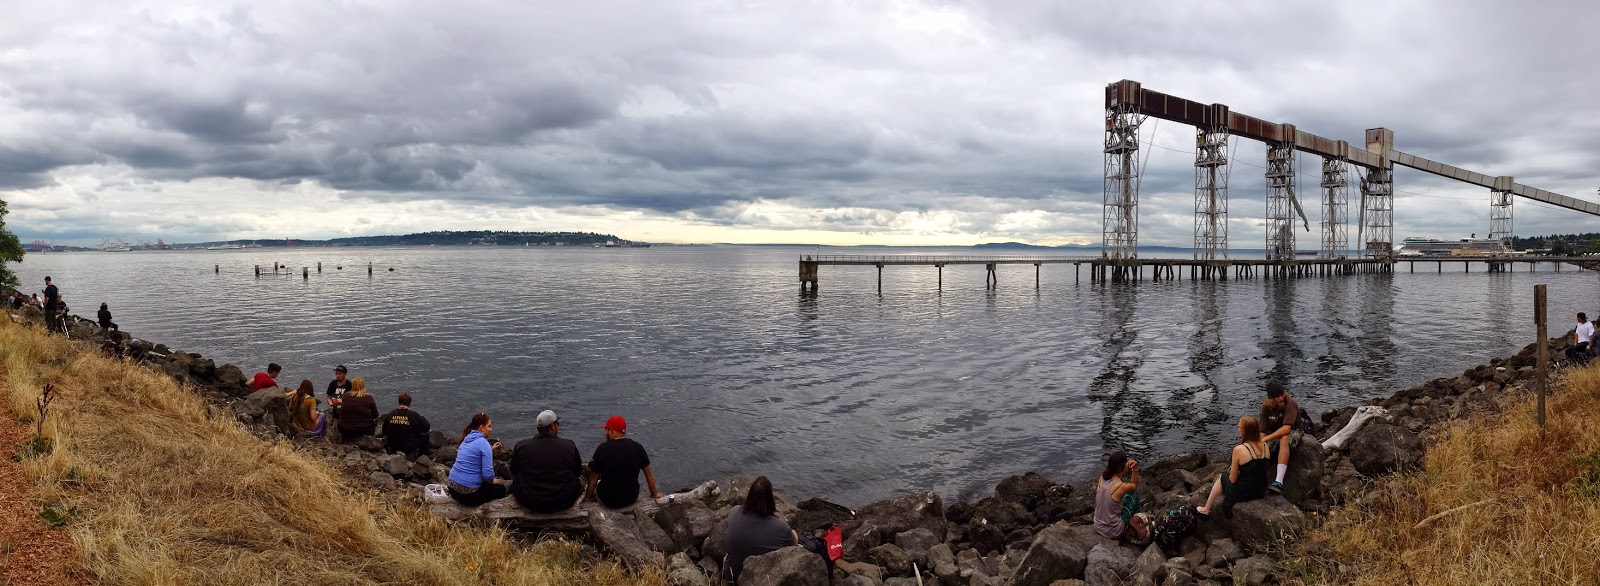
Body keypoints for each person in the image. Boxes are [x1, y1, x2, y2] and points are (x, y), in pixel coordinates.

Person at [722, 476, 799, 581]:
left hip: (731, 575)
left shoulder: (734, 511)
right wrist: (793, 533)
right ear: (770, 499)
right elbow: (793, 546)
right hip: (759, 580)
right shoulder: (781, 527)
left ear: (750, 495)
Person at [509, 410, 584, 513]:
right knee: (576, 481)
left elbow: (514, 471)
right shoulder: (569, 445)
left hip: (531, 501)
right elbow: (577, 471)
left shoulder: (521, 446)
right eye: (557, 423)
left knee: (517, 481)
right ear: (553, 426)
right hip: (562, 500)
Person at [1197, 416, 1271, 517]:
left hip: (1244, 492)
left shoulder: (1239, 449)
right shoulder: (1265, 445)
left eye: (1239, 427)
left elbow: (1233, 479)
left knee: (1222, 477)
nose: (1238, 429)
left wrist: (1235, 469)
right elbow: (1258, 467)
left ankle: (1206, 509)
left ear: (1244, 431)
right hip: (1260, 491)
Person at [586, 416, 662, 509]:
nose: (605, 433)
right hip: (631, 497)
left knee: (597, 483)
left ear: (611, 431)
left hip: (608, 499)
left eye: (606, 430)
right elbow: (648, 475)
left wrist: (588, 498)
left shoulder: (602, 448)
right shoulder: (637, 447)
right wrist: (654, 494)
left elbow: (593, 477)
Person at [446, 413, 506, 506]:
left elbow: (474, 454)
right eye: (489, 426)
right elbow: (487, 474)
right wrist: (493, 481)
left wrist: (491, 450)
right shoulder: (484, 443)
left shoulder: (467, 439)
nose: (491, 430)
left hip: (452, 488)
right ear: (481, 427)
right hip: (467, 495)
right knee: (501, 489)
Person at [1259, 380, 1303, 493]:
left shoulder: (1290, 403)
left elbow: (1286, 429)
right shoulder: (1265, 407)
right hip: (1274, 434)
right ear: (1271, 398)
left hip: (1293, 432)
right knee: (1260, 447)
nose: (1281, 398)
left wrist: (1265, 439)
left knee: (1284, 438)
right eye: (1277, 396)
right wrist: (1261, 444)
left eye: (1282, 394)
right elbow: (1262, 431)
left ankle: (1279, 481)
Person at [1093, 451, 1146, 541]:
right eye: (1126, 462)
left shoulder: (1102, 478)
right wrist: (1135, 468)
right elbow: (1134, 484)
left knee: (1121, 497)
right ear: (1120, 467)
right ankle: (1135, 521)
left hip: (1097, 526)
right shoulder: (1120, 486)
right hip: (1113, 531)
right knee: (1133, 494)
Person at [380, 392, 432, 458]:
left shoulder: (391, 414)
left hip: (393, 446)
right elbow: (426, 428)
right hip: (409, 447)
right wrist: (422, 419)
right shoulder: (414, 415)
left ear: (399, 402)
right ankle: (423, 457)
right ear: (409, 403)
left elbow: (384, 431)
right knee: (426, 435)